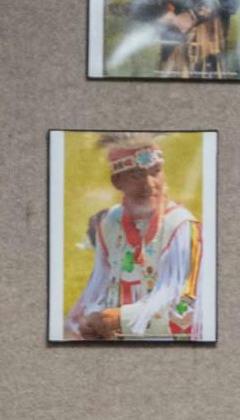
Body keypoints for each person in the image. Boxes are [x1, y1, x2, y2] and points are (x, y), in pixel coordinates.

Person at [65, 136, 202, 341]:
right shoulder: (109, 224)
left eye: (155, 171)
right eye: (137, 175)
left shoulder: (181, 228)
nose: (149, 185)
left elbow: (188, 308)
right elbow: (100, 289)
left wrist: (122, 319)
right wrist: (89, 322)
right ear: (117, 181)